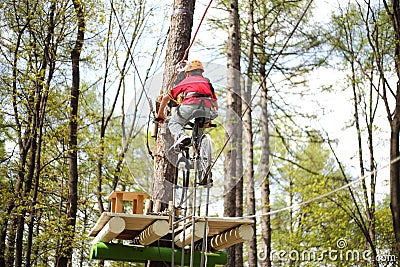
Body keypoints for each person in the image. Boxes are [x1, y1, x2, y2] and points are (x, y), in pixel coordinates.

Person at [156, 59, 218, 147]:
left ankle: (182, 137)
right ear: (201, 72)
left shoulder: (187, 81)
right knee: (198, 138)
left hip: (190, 105)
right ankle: (199, 154)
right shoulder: (207, 83)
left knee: (173, 122)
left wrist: (160, 114)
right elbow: (215, 104)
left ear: (187, 73)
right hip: (206, 110)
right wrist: (209, 120)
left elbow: (166, 98)